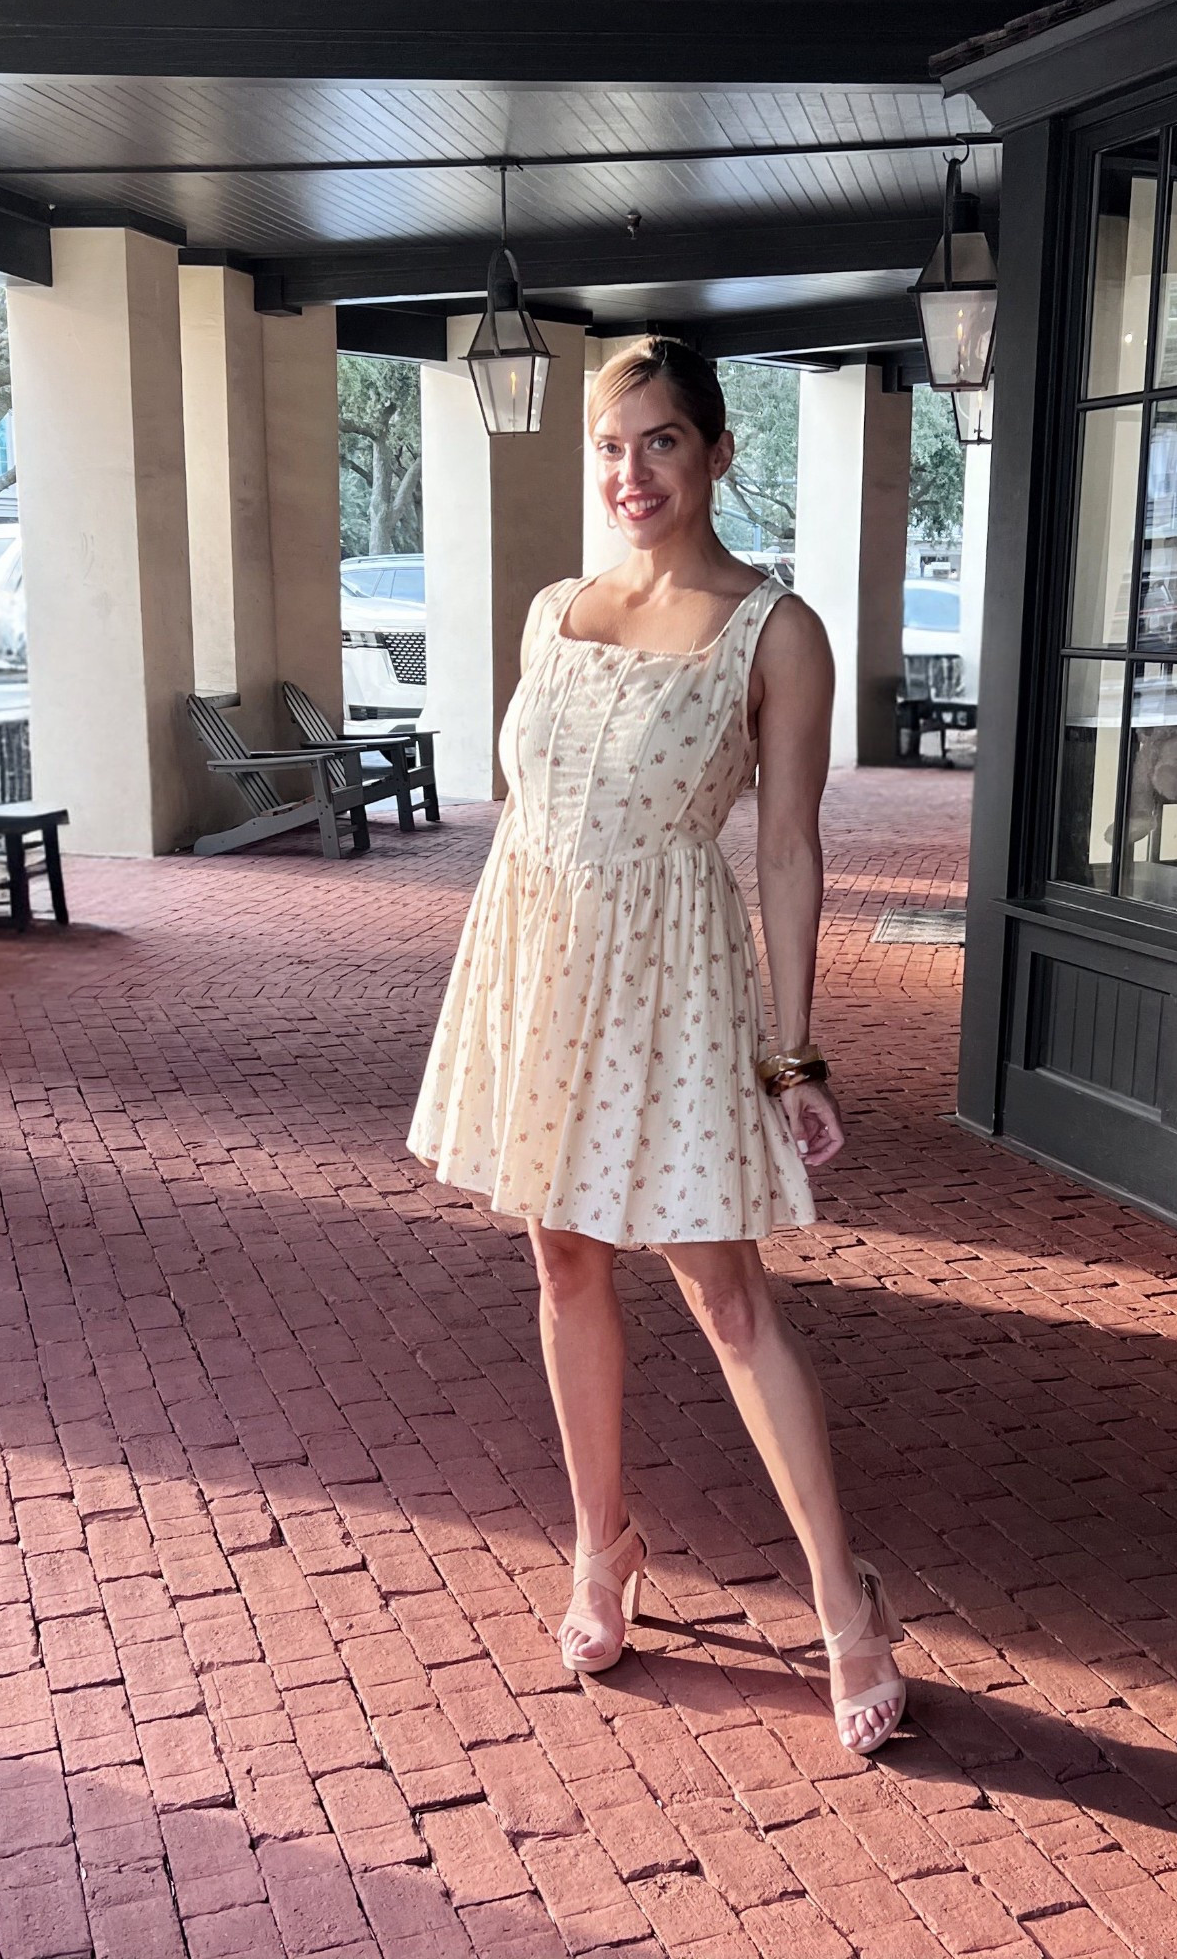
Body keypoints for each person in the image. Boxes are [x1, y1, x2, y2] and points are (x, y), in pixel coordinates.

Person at [408, 336, 906, 1755]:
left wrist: (794, 1051)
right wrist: (512, 991)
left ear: (716, 453)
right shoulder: (553, 611)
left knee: (726, 1297)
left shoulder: (775, 628)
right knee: (562, 1259)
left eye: (663, 442)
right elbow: (526, 811)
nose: (633, 471)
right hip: (542, 967)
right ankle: (601, 1543)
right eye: (613, 446)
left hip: (675, 985)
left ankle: (844, 1601)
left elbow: (791, 848)